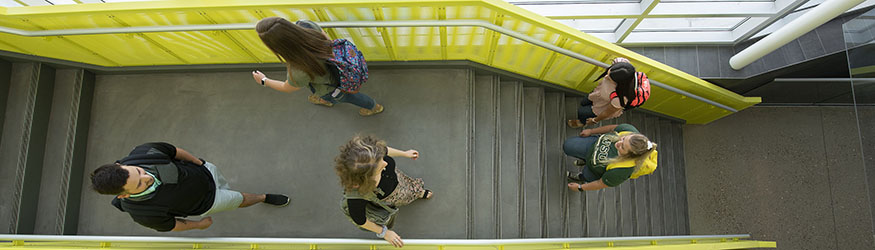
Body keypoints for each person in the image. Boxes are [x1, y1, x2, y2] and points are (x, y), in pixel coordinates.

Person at [89, 142, 290, 232]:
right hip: (209, 203)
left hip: (204, 172)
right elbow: (172, 225)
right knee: (239, 199)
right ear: (124, 196)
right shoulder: (142, 213)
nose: (147, 177)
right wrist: (198, 225)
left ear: (121, 165)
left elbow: (174, 151)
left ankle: (229, 188)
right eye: (140, 184)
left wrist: (199, 163)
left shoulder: (143, 153)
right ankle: (263, 197)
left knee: (223, 182)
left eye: (139, 172)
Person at [251, 17, 384, 116]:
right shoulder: (306, 24)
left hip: (330, 88)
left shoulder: (298, 69)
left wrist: (264, 81)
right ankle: (373, 106)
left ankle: (373, 107)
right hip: (342, 68)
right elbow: (327, 40)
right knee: (351, 95)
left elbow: (287, 88)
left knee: (348, 97)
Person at [334, 135, 433, 248]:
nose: (386, 163)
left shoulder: (374, 158)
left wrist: (404, 153)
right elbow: (359, 220)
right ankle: (415, 193)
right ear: (366, 180)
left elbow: (384, 150)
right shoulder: (357, 196)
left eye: (381, 158)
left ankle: (415, 191)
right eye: (380, 169)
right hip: (391, 195)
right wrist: (384, 232)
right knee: (404, 196)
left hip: (396, 179)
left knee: (405, 184)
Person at [563, 124, 658, 191]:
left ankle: (581, 177)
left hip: (594, 170)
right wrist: (591, 131)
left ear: (630, 156)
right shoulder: (628, 130)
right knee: (567, 146)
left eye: (623, 147)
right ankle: (585, 160)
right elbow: (611, 128)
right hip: (594, 145)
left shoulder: (621, 171)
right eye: (623, 139)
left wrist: (580, 188)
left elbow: (600, 183)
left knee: (587, 175)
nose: (618, 144)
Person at [567, 58, 649, 128]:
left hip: (601, 106)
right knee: (583, 102)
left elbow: (607, 112)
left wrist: (594, 120)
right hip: (596, 94)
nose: (606, 76)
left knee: (582, 112)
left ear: (620, 83)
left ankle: (582, 122)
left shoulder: (620, 99)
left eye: (610, 77)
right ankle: (583, 119)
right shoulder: (622, 66)